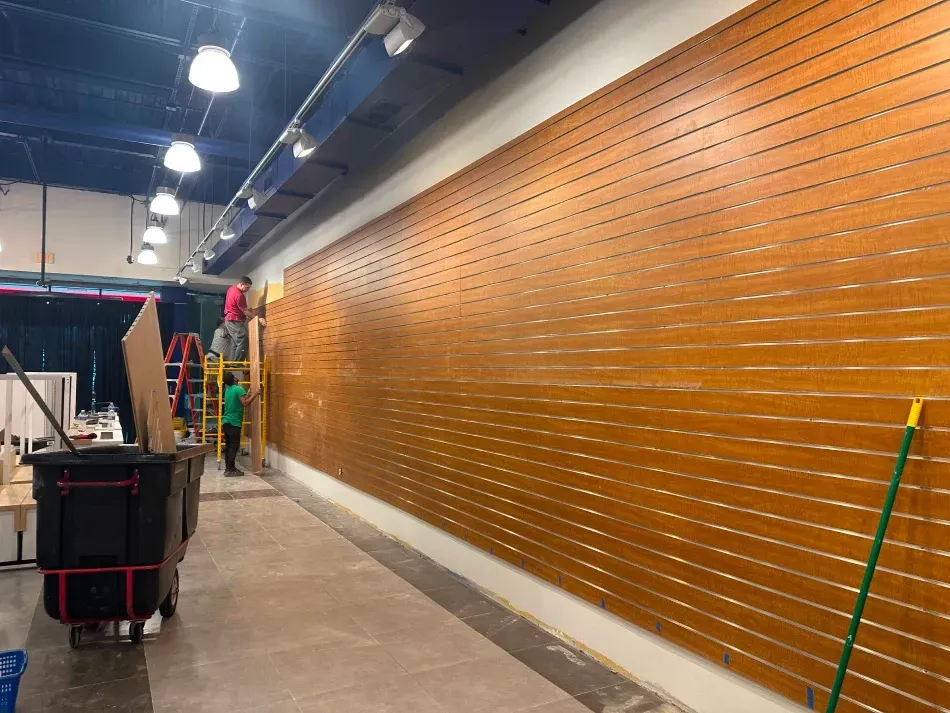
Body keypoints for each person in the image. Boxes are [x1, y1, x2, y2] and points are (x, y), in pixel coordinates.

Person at [221, 371, 260, 476]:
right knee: (234, 446)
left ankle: (228, 469)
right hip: (234, 422)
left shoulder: (228, 390)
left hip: (226, 422)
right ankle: (231, 469)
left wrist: (247, 395)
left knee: (229, 446)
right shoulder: (238, 389)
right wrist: (256, 394)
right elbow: (245, 403)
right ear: (234, 379)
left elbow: (240, 400)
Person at [223, 276, 266, 364]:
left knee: (236, 343)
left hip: (229, 320)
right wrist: (258, 319)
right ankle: (237, 363)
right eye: (247, 287)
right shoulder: (239, 296)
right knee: (243, 340)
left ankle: (233, 363)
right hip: (234, 321)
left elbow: (239, 308)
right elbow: (245, 311)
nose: (248, 290)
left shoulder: (231, 289)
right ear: (242, 284)